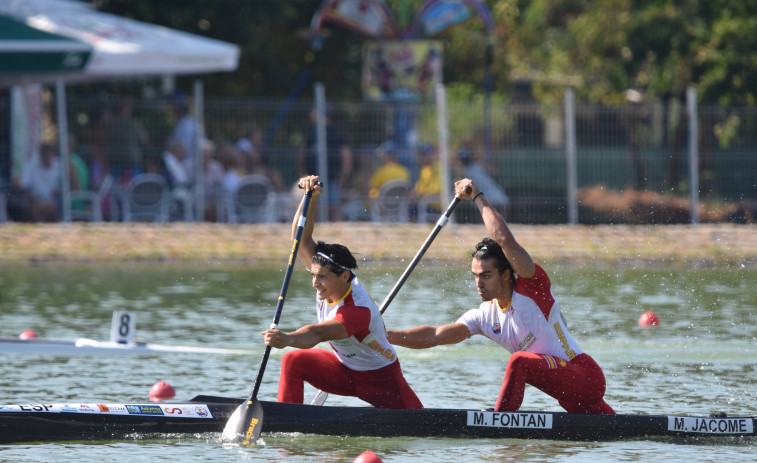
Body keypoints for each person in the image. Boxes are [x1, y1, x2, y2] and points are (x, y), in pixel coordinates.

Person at [387, 178, 615, 415]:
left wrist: (477, 196)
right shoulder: (484, 316)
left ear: (506, 274)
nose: (479, 283)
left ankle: (500, 420)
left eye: (486, 275)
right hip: (568, 395)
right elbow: (434, 335)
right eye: (475, 275)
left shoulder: (531, 287)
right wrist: (386, 336)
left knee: (519, 361)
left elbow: (504, 239)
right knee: (619, 432)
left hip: (585, 376)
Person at [261, 175, 423, 410]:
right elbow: (300, 239)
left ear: (344, 276)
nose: (315, 283)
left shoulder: (357, 310)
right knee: (293, 361)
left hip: (382, 380)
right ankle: (288, 417)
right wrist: (311, 197)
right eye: (313, 275)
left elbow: (317, 334)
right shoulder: (328, 277)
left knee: (419, 425)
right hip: (343, 370)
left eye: (322, 277)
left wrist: (288, 338)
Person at [297, 107, 353, 221]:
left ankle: (338, 230)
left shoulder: (335, 132)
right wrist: (301, 171)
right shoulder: (311, 131)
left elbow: (345, 154)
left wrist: (344, 174)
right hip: (313, 177)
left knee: (333, 206)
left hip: (332, 176)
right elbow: (303, 152)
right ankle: (318, 230)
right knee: (315, 206)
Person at [458, 147, 510, 219]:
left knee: (494, 207)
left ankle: (497, 222)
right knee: (488, 209)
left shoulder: (470, 169)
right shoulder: (473, 168)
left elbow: (494, 172)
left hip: (489, 189)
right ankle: (496, 223)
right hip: (483, 191)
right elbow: (494, 172)